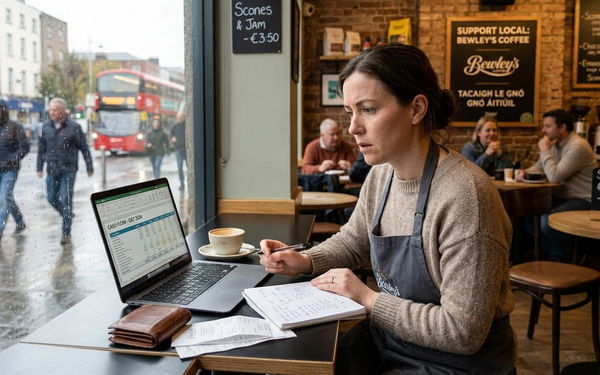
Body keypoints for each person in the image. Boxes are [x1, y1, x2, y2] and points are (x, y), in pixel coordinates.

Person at [259, 43, 515, 374]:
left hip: (455, 363)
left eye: (368, 109)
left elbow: (462, 331)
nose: (353, 128)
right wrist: (306, 260)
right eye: (351, 112)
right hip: (393, 341)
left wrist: (367, 298)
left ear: (416, 109)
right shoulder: (382, 174)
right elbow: (354, 239)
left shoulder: (466, 197)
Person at [515, 109, 597, 261]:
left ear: (562, 128)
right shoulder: (554, 144)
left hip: (582, 199)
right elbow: (539, 167)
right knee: (527, 216)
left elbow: (554, 176)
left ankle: (571, 255)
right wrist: (524, 172)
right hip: (561, 196)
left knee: (546, 222)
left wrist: (544, 149)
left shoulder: (577, 146)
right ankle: (560, 254)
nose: (543, 130)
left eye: (547, 126)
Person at [37, 98, 94, 245]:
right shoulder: (46, 127)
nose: (52, 113)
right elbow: (41, 149)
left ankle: (66, 233)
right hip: (52, 169)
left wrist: (89, 166)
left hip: (69, 169)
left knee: (66, 199)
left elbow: (84, 147)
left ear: (63, 111)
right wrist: (39, 167)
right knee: (51, 198)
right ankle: (66, 215)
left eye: (55, 110)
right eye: (50, 110)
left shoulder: (74, 127)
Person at [0, 99, 29, 242]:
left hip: (9, 170)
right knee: (7, 198)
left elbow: (25, 147)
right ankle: (19, 221)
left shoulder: (14, 127)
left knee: (4, 197)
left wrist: (13, 159)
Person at [170, 113, 186, 190]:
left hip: (186, 149)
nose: (179, 119)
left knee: (189, 166)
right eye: (178, 117)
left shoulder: (187, 126)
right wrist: (173, 138)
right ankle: (182, 183)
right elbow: (171, 135)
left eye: (180, 117)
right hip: (178, 149)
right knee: (180, 166)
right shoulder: (175, 126)